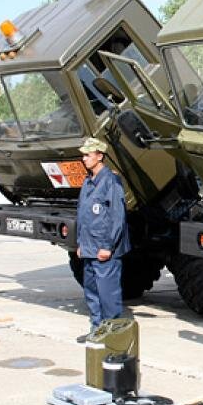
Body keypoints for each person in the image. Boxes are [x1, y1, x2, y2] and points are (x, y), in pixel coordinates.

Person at [75, 137, 131, 343]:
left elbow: (117, 217)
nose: (84, 159)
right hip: (89, 248)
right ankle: (96, 330)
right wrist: (80, 244)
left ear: (100, 156)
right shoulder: (88, 181)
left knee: (108, 296)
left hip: (104, 250)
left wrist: (107, 246)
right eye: (83, 155)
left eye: (88, 155)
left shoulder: (111, 181)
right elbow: (83, 215)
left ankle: (112, 335)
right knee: (92, 293)